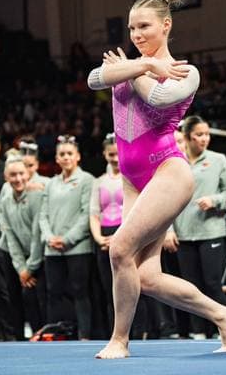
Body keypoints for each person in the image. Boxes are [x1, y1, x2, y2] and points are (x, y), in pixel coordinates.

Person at [87, 0, 226, 358]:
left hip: (168, 171)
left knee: (120, 248)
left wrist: (134, 67)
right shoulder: (141, 65)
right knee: (146, 276)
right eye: (132, 28)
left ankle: (119, 341)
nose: (136, 35)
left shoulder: (186, 71)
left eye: (144, 27)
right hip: (132, 179)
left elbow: (158, 97)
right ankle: (223, 314)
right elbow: (95, 78)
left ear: (166, 25)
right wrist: (142, 64)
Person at [165, 115, 226, 339]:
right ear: (187, 137)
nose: (204, 139)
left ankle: (223, 327)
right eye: (198, 135)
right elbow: (166, 198)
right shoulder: (175, 162)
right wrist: (168, 229)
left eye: (206, 134)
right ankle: (198, 332)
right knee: (190, 287)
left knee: (212, 283)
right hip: (184, 235)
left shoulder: (218, 160)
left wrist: (214, 200)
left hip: (211, 232)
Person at [39, 135, 94, 340]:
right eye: (62, 154)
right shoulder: (51, 183)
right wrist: (49, 237)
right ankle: (56, 334)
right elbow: (42, 215)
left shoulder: (87, 180)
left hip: (78, 247)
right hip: (52, 248)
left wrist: (67, 239)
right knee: (54, 293)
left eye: (69, 153)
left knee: (80, 291)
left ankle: (84, 335)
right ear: (56, 158)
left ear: (78, 156)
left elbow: (86, 213)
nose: (66, 157)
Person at [0, 155, 46, 334]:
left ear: (28, 174)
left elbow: (37, 234)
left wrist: (30, 268)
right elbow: (9, 236)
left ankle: (41, 336)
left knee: (37, 299)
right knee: (14, 298)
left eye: (21, 174)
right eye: (13, 175)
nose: (17, 179)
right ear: (6, 177)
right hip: (19, 262)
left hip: (39, 258)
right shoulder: (4, 202)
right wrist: (21, 270)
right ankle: (16, 337)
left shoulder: (37, 196)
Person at [90, 133, 123, 332]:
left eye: (118, 154)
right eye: (111, 155)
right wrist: (99, 238)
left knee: (130, 284)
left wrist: (120, 238)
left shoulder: (130, 177)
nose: (115, 159)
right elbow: (94, 213)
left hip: (125, 232)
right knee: (109, 287)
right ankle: (114, 331)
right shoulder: (99, 182)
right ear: (105, 154)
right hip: (104, 236)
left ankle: (141, 331)